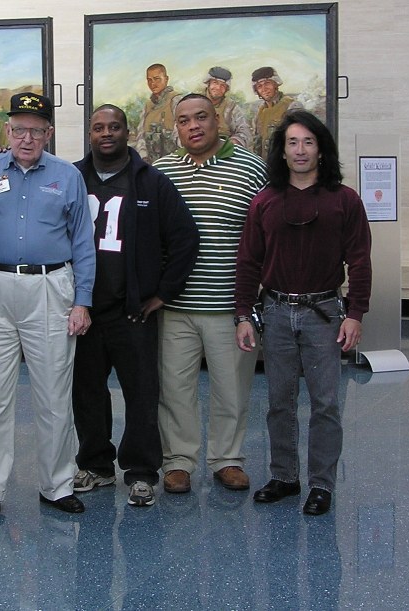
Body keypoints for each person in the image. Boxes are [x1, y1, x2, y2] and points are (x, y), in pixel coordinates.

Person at [234, 110, 372, 516]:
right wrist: (244, 313)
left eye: (308, 142)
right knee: (279, 401)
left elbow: (360, 261)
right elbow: (248, 261)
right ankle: (284, 476)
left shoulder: (344, 200)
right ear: (282, 151)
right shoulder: (265, 201)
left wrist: (356, 313)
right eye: (292, 142)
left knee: (326, 402)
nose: (300, 150)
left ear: (321, 150)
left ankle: (321, 484)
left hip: (324, 313)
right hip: (276, 312)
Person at [0, 92, 95, 522]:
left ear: (49, 133)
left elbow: (83, 242)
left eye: (35, 130)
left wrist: (83, 300)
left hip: (50, 287)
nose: (26, 138)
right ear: (7, 130)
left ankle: (57, 484)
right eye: (18, 129)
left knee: (54, 393)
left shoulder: (66, 176)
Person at [72, 104, 199, 507]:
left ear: (128, 132)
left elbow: (184, 239)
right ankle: (96, 465)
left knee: (141, 393)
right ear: (89, 134)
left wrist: (161, 294)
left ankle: (142, 472)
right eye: (98, 128)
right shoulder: (72, 178)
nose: (106, 133)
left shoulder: (151, 182)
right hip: (85, 310)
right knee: (87, 391)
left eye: (114, 127)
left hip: (133, 310)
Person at [153, 93, 267, 495]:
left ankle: (227, 459)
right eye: (183, 121)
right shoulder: (162, 172)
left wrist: (254, 302)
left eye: (201, 117)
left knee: (232, 389)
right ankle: (178, 460)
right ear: (176, 128)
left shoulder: (252, 168)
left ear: (216, 118)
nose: (193, 126)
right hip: (175, 306)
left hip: (230, 307)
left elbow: (267, 237)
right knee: (175, 388)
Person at [251, 67, 304, 160]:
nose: (264, 89)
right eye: (259, 86)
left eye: (267, 83)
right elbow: (257, 144)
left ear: (275, 84)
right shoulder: (260, 113)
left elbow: (300, 141)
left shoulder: (292, 106)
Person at [134, 64, 182, 163]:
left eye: (157, 79)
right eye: (149, 80)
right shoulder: (147, 106)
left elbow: (181, 134)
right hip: (151, 163)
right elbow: (141, 136)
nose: (153, 83)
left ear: (166, 79)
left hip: (174, 162)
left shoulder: (176, 100)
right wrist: (143, 158)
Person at [202, 66, 252, 150]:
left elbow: (245, 131)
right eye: (215, 83)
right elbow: (178, 131)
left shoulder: (232, 108)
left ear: (226, 89)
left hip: (225, 150)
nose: (218, 88)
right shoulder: (192, 103)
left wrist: (231, 143)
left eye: (222, 85)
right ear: (208, 84)